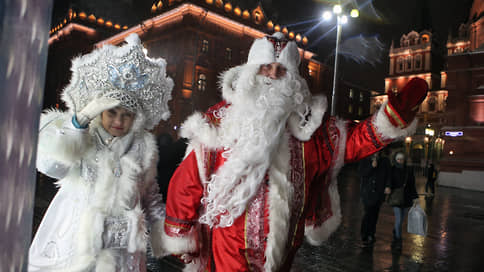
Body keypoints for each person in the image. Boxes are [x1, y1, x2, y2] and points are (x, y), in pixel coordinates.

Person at [160, 32, 428, 271]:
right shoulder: (221, 121)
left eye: (282, 69)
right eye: (266, 67)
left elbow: (353, 142)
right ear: (251, 72)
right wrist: (180, 233)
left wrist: (393, 117)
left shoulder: (310, 128)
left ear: (293, 78)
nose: (274, 74)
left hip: (284, 244)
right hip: (228, 243)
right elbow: (188, 180)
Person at [28, 34, 174, 271]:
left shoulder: (143, 147)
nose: (119, 121)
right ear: (100, 111)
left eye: (126, 115)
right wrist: (80, 122)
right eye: (112, 112)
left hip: (121, 250)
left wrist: (165, 236)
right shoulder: (81, 135)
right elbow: (50, 166)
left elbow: (150, 196)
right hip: (76, 240)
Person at [385, 152, 419, 251]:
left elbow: (412, 185)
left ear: (404, 160)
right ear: (395, 159)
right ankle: (398, 240)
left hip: (407, 198)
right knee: (399, 220)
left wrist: (415, 198)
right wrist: (388, 187)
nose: (400, 161)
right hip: (396, 198)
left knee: (400, 221)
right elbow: (389, 180)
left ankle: (396, 231)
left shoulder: (409, 170)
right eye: (398, 159)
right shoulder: (392, 169)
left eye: (401, 159)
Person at [358, 149, 391, 246]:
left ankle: (371, 234)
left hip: (379, 193)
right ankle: (364, 234)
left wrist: (388, 186)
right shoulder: (365, 159)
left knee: (375, 214)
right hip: (367, 193)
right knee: (368, 213)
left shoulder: (385, 161)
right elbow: (361, 173)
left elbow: (388, 175)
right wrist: (371, 167)